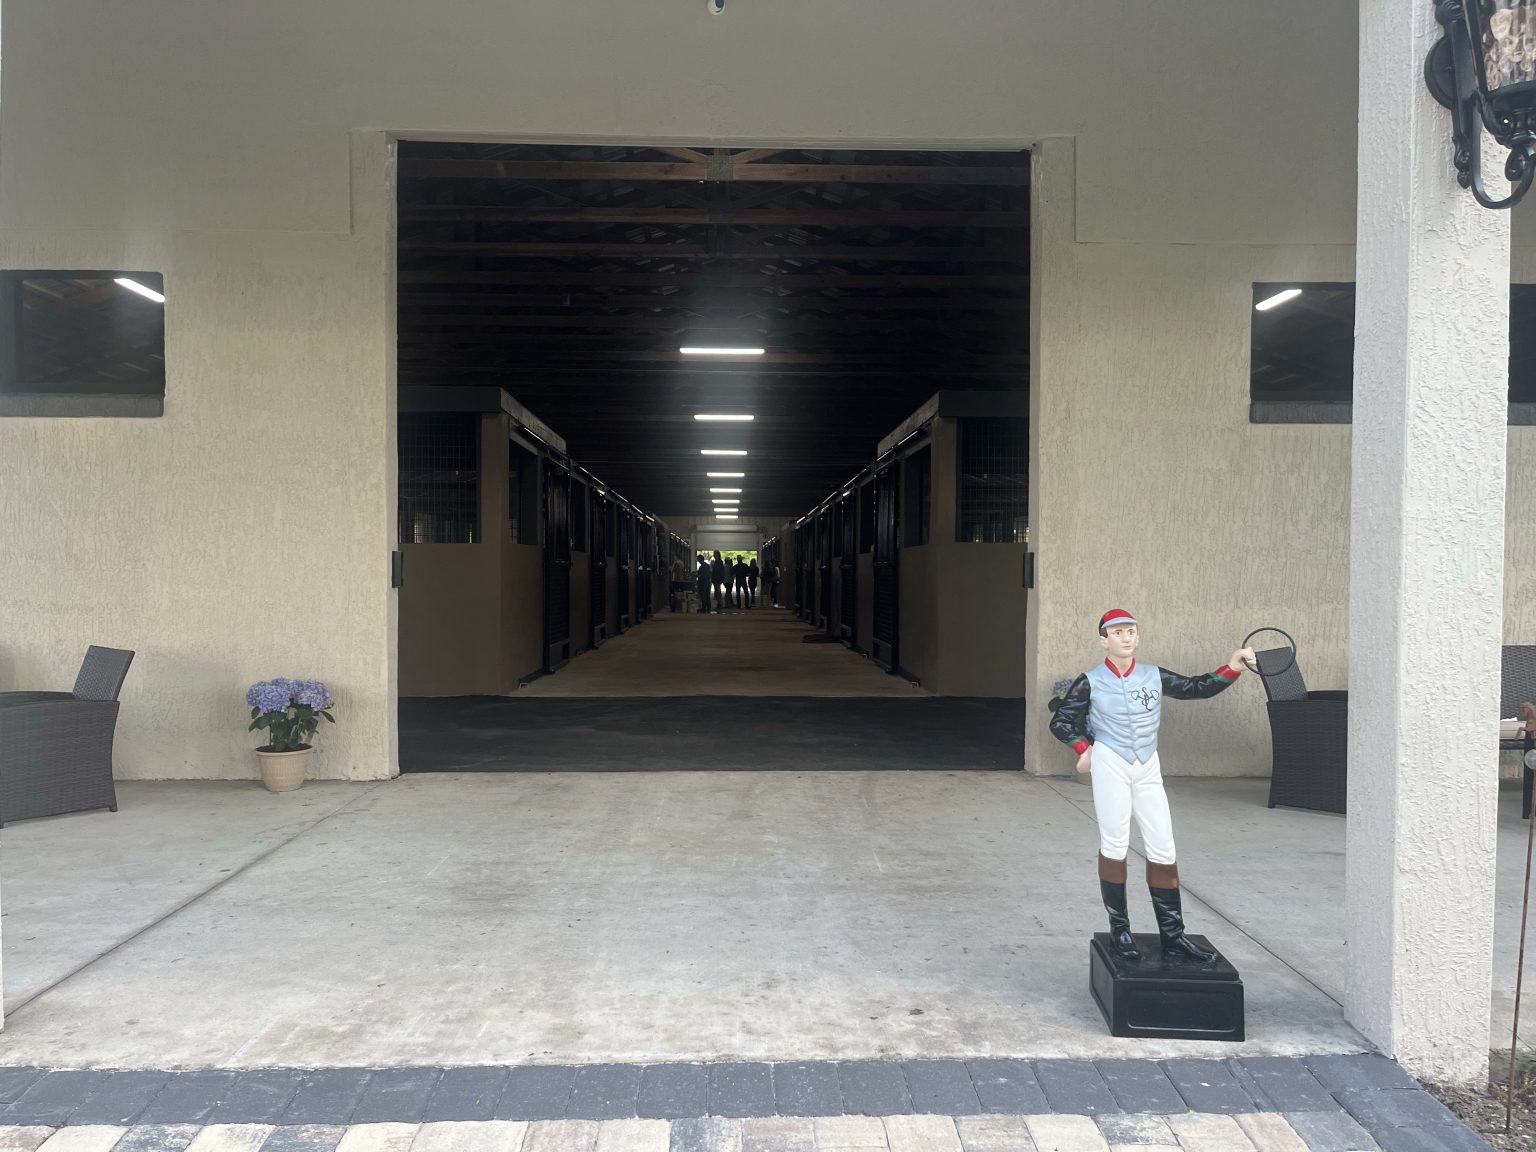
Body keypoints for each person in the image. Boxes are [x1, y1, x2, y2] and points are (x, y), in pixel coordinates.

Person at [1048, 608, 1255, 963]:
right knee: (1114, 843)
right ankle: (1120, 930)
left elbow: (1195, 688)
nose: (1126, 637)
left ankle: (1173, 935)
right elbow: (1062, 720)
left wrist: (1232, 665)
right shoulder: (1091, 680)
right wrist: (1085, 748)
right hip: (1111, 763)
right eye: (1117, 632)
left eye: (1131, 631)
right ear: (1104, 640)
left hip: (1147, 764)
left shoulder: (1153, 675)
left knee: (1163, 846)